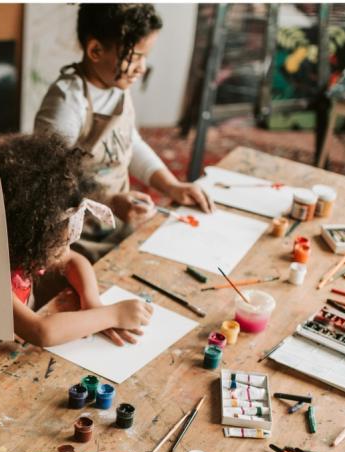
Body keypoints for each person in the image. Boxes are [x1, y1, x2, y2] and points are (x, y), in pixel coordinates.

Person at [0, 133, 153, 377]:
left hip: (10, 346)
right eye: (62, 242)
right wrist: (111, 315)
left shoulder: (21, 248)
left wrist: (92, 302)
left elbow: (74, 261)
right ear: (29, 237)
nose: (66, 249)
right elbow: (41, 332)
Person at [35, 3, 214, 261]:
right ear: (95, 50)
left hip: (116, 221)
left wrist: (171, 185)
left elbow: (129, 141)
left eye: (145, 56)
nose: (142, 67)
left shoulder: (115, 84)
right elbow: (45, 178)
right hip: (74, 239)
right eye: (136, 56)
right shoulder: (67, 101)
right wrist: (109, 200)